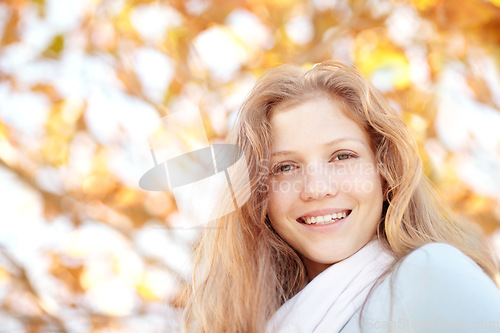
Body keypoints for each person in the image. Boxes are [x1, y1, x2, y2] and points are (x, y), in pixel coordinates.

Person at [181, 61, 500, 332]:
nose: (317, 188)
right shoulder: (265, 321)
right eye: (285, 167)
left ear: (385, 172)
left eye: (342, 156)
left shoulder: (431, 275)